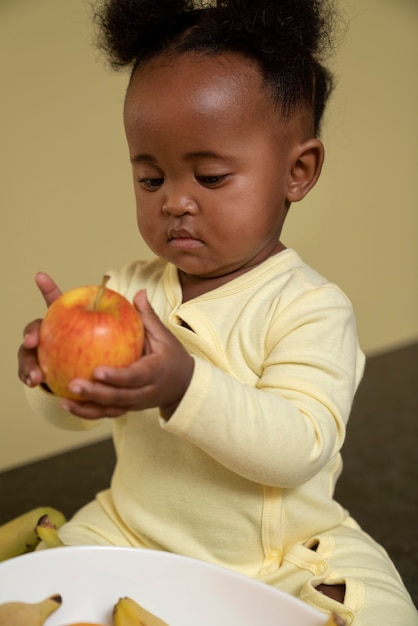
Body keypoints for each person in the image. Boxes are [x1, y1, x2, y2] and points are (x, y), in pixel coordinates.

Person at [17, 0, 417, 623]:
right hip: (134, 530)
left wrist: (186, 387)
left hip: (280, 557)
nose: (176, 202)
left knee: (384, 613)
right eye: (151, 181)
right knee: (33, 592)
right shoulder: (125, 290)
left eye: (209, 176)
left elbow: (299, 445)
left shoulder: (310, 307)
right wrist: (51, 375)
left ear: (298, 171)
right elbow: (74, 416)